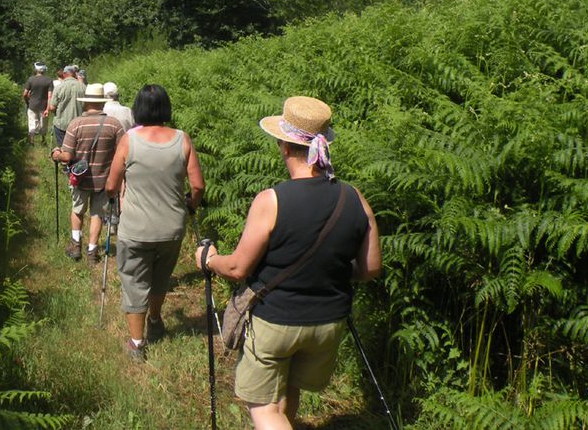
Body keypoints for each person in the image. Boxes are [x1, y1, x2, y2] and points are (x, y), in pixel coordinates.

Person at [195, 96, 382, 430]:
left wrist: (209, 260)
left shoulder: (272, 200)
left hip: (277, 322)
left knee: (264, 408)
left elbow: (238, 268)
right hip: (328, 324)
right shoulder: (355, 198)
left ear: (284, 146)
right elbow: (369, 269)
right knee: (287, 391)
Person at [107, 84, 205, 362]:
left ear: (138, 108)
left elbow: (112, 185)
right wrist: (189, 204)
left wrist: (113, 195)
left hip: (136, 228)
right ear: (166, 108)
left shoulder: (129, 140)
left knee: (134, 281)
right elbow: (198, 186)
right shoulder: (182, 139)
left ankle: (137, 343)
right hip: (172, 227)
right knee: (160, 278)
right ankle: (156, 319)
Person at [51, 83, 125, 265]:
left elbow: (67, 156)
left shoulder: (76, 124)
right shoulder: (114, 125)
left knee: (78, 211)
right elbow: (123, 152)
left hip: (80, 178)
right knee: (97, 214)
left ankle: (76, 246)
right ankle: (92, 251)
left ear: (85, 103)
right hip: (104, 179)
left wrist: (56, 154)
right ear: (102, 103)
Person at [48, 65, 82, 147]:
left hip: (61, 124)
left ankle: (64, 159)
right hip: (79, 124)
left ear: (64, 74)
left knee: (63, 148)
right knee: (76, 148)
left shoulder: (59, 87)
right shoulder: (83, 87)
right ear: (74, 74)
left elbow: (52, 107)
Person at [22, 62, 54, 146]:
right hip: (43, 106)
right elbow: (50, 96)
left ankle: (31, 141)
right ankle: (43, 141)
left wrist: (27, 101)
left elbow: (25, 94)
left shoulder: (31, 79)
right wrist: (48, 108)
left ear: (36, 69)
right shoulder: (49, 80)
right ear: (44, 70)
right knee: (43, 124)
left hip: (32, 105)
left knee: (32, 123)